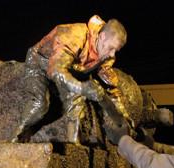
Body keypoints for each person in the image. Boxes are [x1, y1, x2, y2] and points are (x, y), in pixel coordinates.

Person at [12, 15, 127, 143]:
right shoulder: (75, 36)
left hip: (68, 68)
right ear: (103, 36)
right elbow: (55, 71)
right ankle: (16, 135)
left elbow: (111, 86)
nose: (112, 54)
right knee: (39, 105)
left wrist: (123, 115)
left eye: (116, 50)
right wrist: (82, 88)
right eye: (111, 48)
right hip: (40, 61)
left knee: (77, 104)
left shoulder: (106, 55)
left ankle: (74, 143)